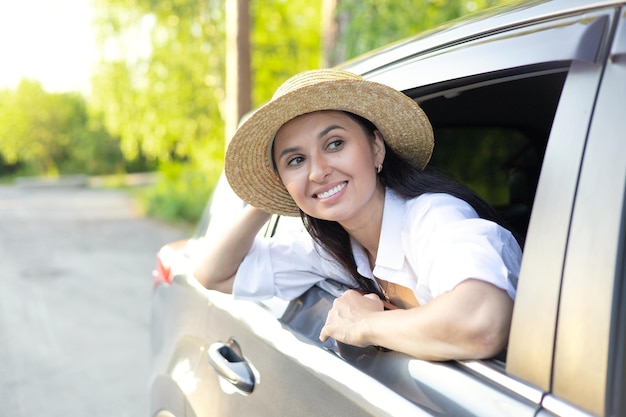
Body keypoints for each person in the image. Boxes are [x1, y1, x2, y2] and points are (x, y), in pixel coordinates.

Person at [194, 69, 522, 361]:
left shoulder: (433, 217)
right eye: (295, 160)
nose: (318, 172)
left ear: (376, 148)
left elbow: (482, 324)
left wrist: (365, 324)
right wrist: (271, 196)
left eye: (335, 144)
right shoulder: (332, 249)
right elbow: (213, 274)